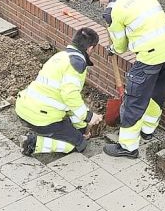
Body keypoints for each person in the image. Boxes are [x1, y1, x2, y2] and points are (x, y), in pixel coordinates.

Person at [91, 0, 165, 159]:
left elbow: (121, 46)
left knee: (133, 100)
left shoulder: (113, 11)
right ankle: (148, 130)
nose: (99, 3)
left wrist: (112, 48)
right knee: (157, 92)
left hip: (150, 56)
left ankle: (128, 147)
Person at [16, 27, 103, 156]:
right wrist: (89, 117)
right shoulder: (77, 64)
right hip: (41, 117)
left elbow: (69, 103)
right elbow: (70, 96)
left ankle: (43, 131)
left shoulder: (61, 56)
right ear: (90, 49)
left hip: (24, 107)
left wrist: (82, 128)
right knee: (78, 144)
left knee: (69, 126)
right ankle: (32, 143)